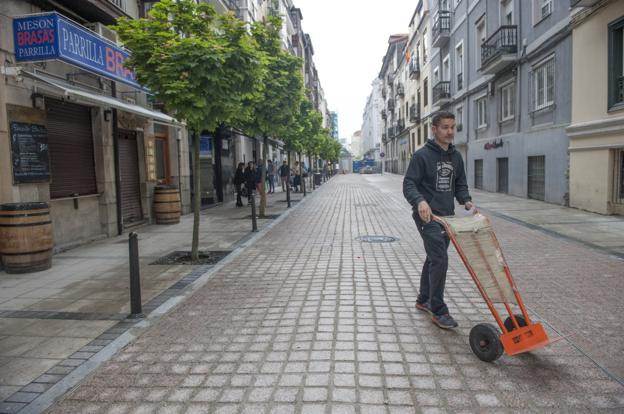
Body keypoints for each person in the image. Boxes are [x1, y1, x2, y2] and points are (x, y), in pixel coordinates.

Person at [403, 111, 473, 330]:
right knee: (440, 259)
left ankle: (424, 299)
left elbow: (460, 183)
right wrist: (420, 201)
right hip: (428, 216)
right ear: (434, 129)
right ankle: (438, 309)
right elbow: (409, 184)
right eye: (445, 127)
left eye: (452, 127)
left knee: (434, 257)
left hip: (447, 216)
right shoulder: (422, 155)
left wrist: (466, 200)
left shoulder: (456, 157)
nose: (450, 131)